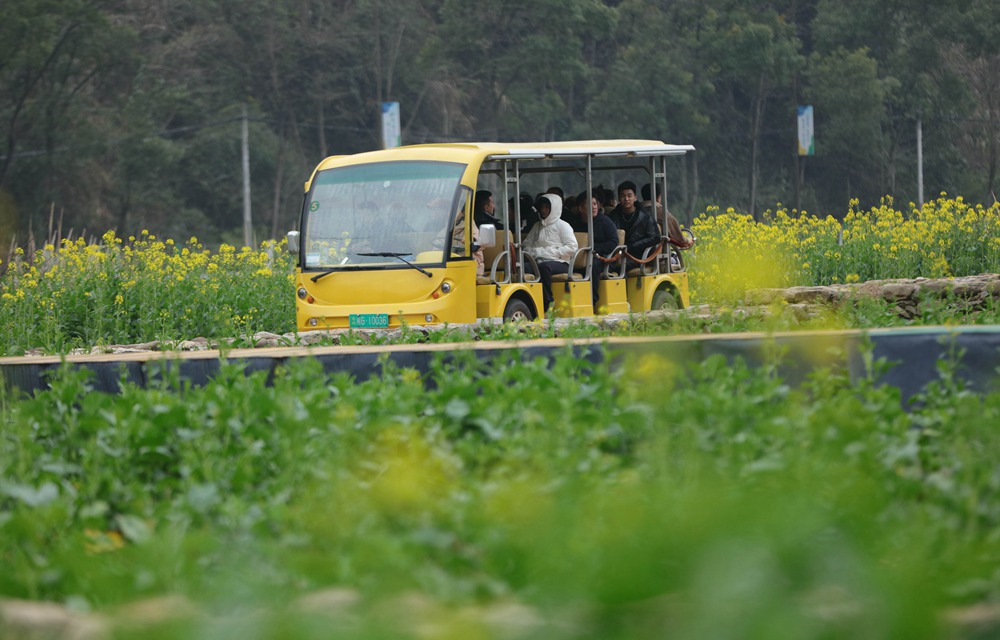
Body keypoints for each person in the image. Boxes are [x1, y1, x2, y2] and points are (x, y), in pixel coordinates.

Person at [524, 193, 577, 312]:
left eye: (547, 207)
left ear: (555, 208)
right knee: (523, 268)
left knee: (544, 267)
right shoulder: (537, 226)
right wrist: (536, 253)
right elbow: (526, 245)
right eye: (542, 207)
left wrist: (545, 253)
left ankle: (547, 301)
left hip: (561, 262)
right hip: (538, 261)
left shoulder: (563, 226)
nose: (543, 210)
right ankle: (528, 302)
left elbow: (572, 247)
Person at [579, 190, 620, 311]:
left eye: (595, 204)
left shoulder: (606, 222)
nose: (593, 207)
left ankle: (592, 302)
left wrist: (593, 249)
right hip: (581, 257)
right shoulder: (576, 223)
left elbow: (613, 242)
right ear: (581, 208)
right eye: (589, 204)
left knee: (592, 267)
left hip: (603, 258)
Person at [608, 180, 660, 271]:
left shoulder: (645, 216)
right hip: (617, 254)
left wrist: (632, 246)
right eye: (622, 196)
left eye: (629, 196)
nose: (626, 199)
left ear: (635, 197)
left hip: (638, 256)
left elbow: (655, 237)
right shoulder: (613, 215)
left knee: (619, 267)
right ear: (619, 199)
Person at [641, 183, 693, 249]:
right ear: (658, 198)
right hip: (656, 255)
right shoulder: (662, 213)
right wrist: (688, 240)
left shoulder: (636, 212)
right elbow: (679, 238)